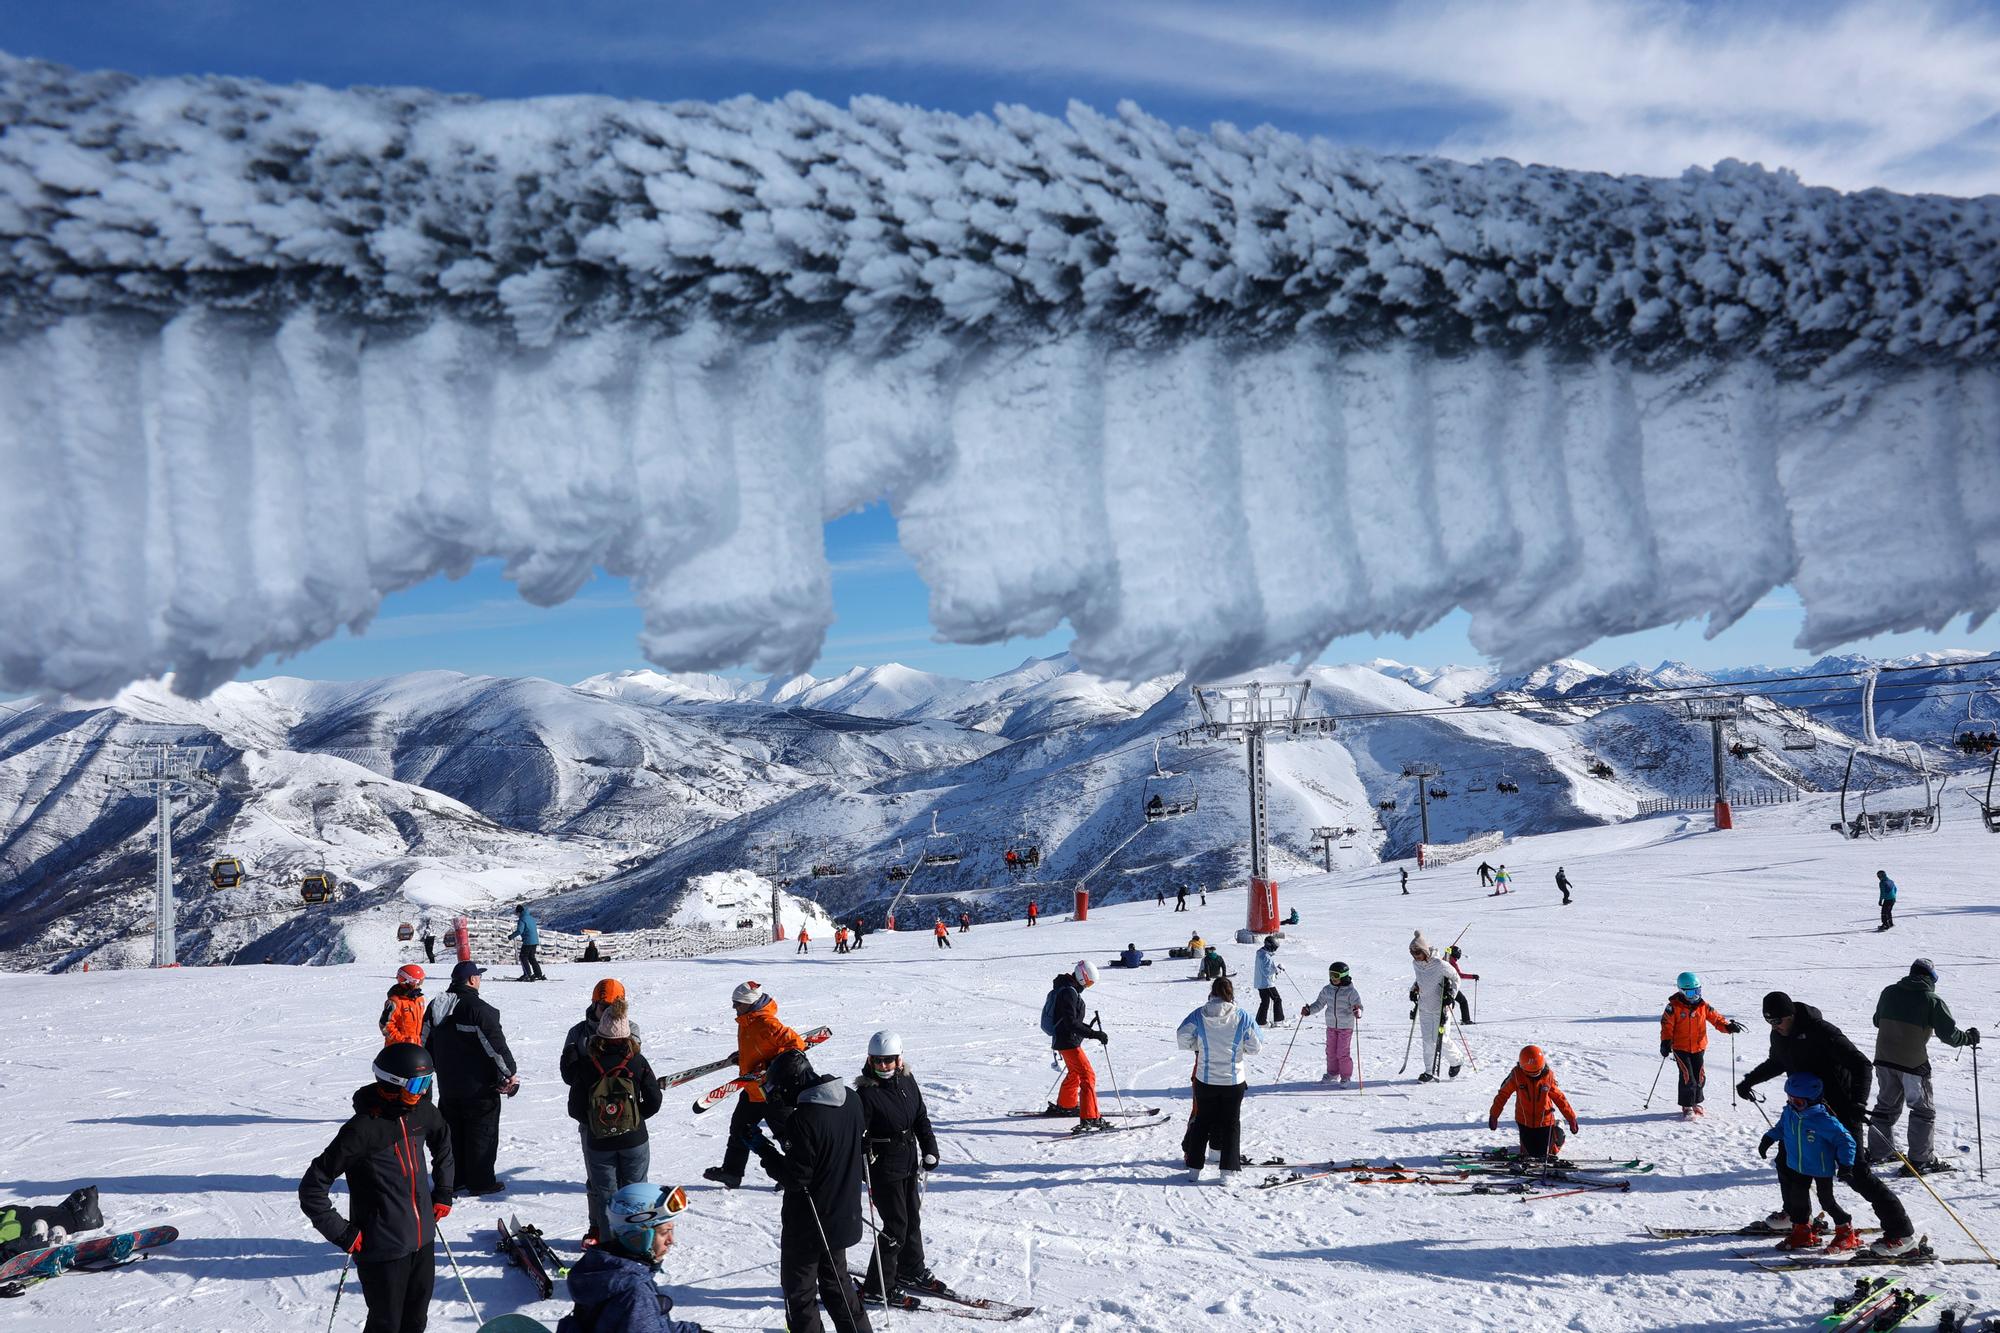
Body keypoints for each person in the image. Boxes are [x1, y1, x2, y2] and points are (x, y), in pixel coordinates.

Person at [1739, 991, 1916, 1255]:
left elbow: (1861, 1065)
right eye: (1770, 1022)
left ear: (1792, 1015)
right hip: (1804, 1111)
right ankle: (1797, 1216)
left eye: (1779, 1021)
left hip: (1841, 1112)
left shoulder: (1822, 1031)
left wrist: (1857, 1103)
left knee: (1857, 1174)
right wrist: (1750, 1080)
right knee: (1788, 1163)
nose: (1775, 1027)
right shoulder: (1779, 1035)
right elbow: (1778, 1061)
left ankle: (1901, 1234)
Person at [299, 1043, 455, 1333]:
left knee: (416, 1321)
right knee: (387, 1325)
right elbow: (312, 1187)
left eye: (428, 1082)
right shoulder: (363, 1130)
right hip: (382, 1248)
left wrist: (444, 1190)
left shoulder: (421, 1112)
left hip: (422, 1241)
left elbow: (443, 1140)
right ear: (394, 1085)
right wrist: (341, 1232)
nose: (423, 1092)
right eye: (418, 1084)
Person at [743, 1051, 874, 1333]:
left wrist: (763, 1149)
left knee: (800, 1295)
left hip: (809, 1222)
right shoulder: (850, 1099)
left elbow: (796, 1177)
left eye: (782, 1090)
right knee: (837, 1287)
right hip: (843, 1214)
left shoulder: (803, 1119)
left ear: (794, 1083)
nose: (781, 1097)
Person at [1867, 958, 1980, 1171]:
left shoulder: (1889, 992)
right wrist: (1968, 1038)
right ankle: (1921, 1160)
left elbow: (1876, 1020)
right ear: (1931, 978)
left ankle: (1878, 1152)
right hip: (1913, 1064)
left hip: (1883, 1059)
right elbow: (1949, 1036)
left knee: (1885, 1106)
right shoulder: (1931, 1000)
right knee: (1922, 1111)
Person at [565, 999, 664, 1243]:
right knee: (636, 1192)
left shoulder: (587, 1064)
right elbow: (654, 1100)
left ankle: (610, 1247)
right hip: (635, 1139)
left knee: (606, 1196)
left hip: (599, 1143)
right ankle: (638, 1245)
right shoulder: (637, 1061)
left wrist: (596, 1122)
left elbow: (574, 1108)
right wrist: (635, 1119)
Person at [854, 1032, 939, 1301]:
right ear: (869, 1060)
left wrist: (930, 1148)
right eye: (877, 1061)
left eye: (888, 1061)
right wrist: (862, 1148)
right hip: (882, 1168)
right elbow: (854, 1133)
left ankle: (910, 1269)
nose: (883, 1067)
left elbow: (920, 1117)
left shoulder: (906, 1081)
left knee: (912, 1217)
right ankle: (877, 1287)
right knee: (895, 1227)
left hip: (907, 1162)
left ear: (899, 1059)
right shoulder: (866, 1093)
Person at [422, 960, 517, 1196]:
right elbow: (495, 1045)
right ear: (472, 980)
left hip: (448, 1085)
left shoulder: (436, 1006)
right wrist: (510, 1073)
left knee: (452, 1134)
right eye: (479, 977)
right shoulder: (477, 1008)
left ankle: (454, 1180)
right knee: (481, 1135)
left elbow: (424, 1042)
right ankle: (481, 1182)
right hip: (480, 1087)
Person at [556, 1182, 704, 1333]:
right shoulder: (634, 1291)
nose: (671, 1240)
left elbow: (655, 1325)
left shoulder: (605, 1268)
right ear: (639, 1236)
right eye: (664, 1232)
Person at [703, 982, 808, 1190]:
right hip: (752, 1090)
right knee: (739, 1129)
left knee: (786, 1136)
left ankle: (795, 1173)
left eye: (737, 1003)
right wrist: (743, 1058)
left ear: (750, 1003)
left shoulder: (767, 1022)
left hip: (773, 1092)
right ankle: (732, 1172)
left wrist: (769, 1066)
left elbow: (797, 1045)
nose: (734, 1007)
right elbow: (760, 1048)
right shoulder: (746, 1021)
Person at [1759, 1073, 1863, 1252]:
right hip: (1797, 1165)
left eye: (1798, 1102)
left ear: (1813, 1100)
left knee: (1826, 1201)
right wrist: (1768, 1138)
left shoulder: (1824, 1121)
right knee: (1797, 1199)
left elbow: (1846, 1141)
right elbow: (1781, 1127)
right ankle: (1802, 1232)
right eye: (1790, 1099)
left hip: (1820, 1168)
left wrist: (1846, 1165)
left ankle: (1846, 1231)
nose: (1793, 1104)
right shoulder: (1790, 1112)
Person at [1177, 976, 1263, 1175]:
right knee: (1231, 1124)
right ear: (1230, 993)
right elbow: (1256, 1045)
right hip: (1233, 1080)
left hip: (1205, 1079)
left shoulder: (1199, 1014)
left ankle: (1194, 1170)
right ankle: (1227, 1171)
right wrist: (1242, 1050)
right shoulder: (1242, 1016)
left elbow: (1182, 1035)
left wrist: (1197, 1047)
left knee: (1202, 1122)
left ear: (1212, 992)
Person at [1659, 971, 1743, 1120]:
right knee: (1687, 1077)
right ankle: (1687, 1105)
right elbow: (1667, 1026)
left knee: (1699, 1076)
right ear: (1682, 991)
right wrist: (1666, 1042)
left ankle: (1695, 1102)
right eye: (1691, 993)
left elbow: (1717, 1019)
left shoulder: (1703, 1006)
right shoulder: (1673, 1007)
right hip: (1680, 1047)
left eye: (1697, 991)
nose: (1695, 996)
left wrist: (1728, 1027)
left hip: (1698, 1047)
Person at [1041, 961, 1108, 1131]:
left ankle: (1067, 1104)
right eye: (1088, 982)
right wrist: (1094, 1034)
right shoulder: (1069, 992)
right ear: (1081, 977)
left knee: (1075, 1073)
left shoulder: (1065, 989)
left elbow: (1069, 1021)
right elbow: (1071, 1023)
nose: (1088, 986)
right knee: (1087, 1075)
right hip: (1068, 1041)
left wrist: (1088, 1030)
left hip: (1063, 1041)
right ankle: (1090, 1118)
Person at [1487, 1044, 1579, 1160]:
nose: (1534, 1076)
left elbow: (1559, 1097)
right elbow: (1503, 1094)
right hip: (1524, 1121)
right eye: (1529, 1073)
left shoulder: (1548, 1076)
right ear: (1522, 1067)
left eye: (1537, 1072)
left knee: (1547, 1154)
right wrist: (1494, 1115)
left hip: (1544, 1121)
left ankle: (1558, 1129)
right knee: (1529, 1155)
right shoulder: (1516, 1075)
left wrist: (1571, 1118)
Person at [1408, 932, 1461, 1082]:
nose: (1415, 955)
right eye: (1412, 953)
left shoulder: (1440, 964)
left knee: (1441, 1039)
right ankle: (1429, 1071)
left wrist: (1451, 995)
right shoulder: (1416, 964)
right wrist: (1414, 989)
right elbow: (1420, 979)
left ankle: (1457, 1060)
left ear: (1424, 951)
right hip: (1424, 1006)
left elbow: (1455, 978)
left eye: (1417, 952)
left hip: (1440, 1007)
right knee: (1427, 1041)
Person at [1300, 962, 1362, 1085]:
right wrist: (1309, 1010)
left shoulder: (1351, 992)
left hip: (1345, 1027)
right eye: (1331, 975)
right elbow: (1319, 1004)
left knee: (1342, 1053)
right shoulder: (1327, 990)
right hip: (1331, 1026)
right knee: (1331, 1051)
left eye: (1336, 975)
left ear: (1344, 976)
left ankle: (1346, 1077)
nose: (1333, 978)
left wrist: (1357, 1011)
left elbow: (1358, 1005)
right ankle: (1333, 1073)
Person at [380, 964, 427, 1048]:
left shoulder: (419, 1000)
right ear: (407, 981)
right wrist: (402, 1041)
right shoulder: (395, 1002)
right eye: (417, 982)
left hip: (416, 1046)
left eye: (421, 982)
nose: (419, 985)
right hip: (398, 1048)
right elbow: (385, 1026)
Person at [1252, 935, 1286, 1026]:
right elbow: (1267, 971)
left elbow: (1266, 968)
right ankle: (1278, 1021)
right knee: (1277, 999)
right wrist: (1278, 969)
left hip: (1261, 983)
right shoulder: (1265, 956)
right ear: (1269, 946)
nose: (1274, 950)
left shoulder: (1261, 954)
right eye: (1274, 948)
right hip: (1267, 983)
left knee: (1265, 1002)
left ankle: (1261, 1022)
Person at [508, 904, 546, 981]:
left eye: (517, 913)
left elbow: (520, 931)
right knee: (531, 958)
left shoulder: (522, 919)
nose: (517, 915)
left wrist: (511, 936)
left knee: (523, 957)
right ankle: (538, 974)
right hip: (535, 940)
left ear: (519, 912)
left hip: (528, 941)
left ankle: (527, 974)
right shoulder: (531, 918)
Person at [1445, 946, 1478, 1025]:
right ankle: (1466, 1020)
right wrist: (1473, 976)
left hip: (1441, 985)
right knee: (1463, 1001)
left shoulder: (1445, 960)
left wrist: (1448, 951)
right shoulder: (1453, 963)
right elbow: (1459, 975)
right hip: (1450, 987)